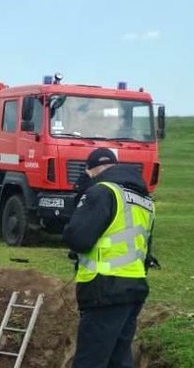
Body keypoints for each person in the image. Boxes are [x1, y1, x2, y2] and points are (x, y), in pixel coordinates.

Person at [63, 148, 155, 368]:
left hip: (104, 287)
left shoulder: (101, 192)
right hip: (134, 287)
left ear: (90, 170)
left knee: (90, 361)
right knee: (118, 359)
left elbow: (78, 239)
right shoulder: (144, 199)